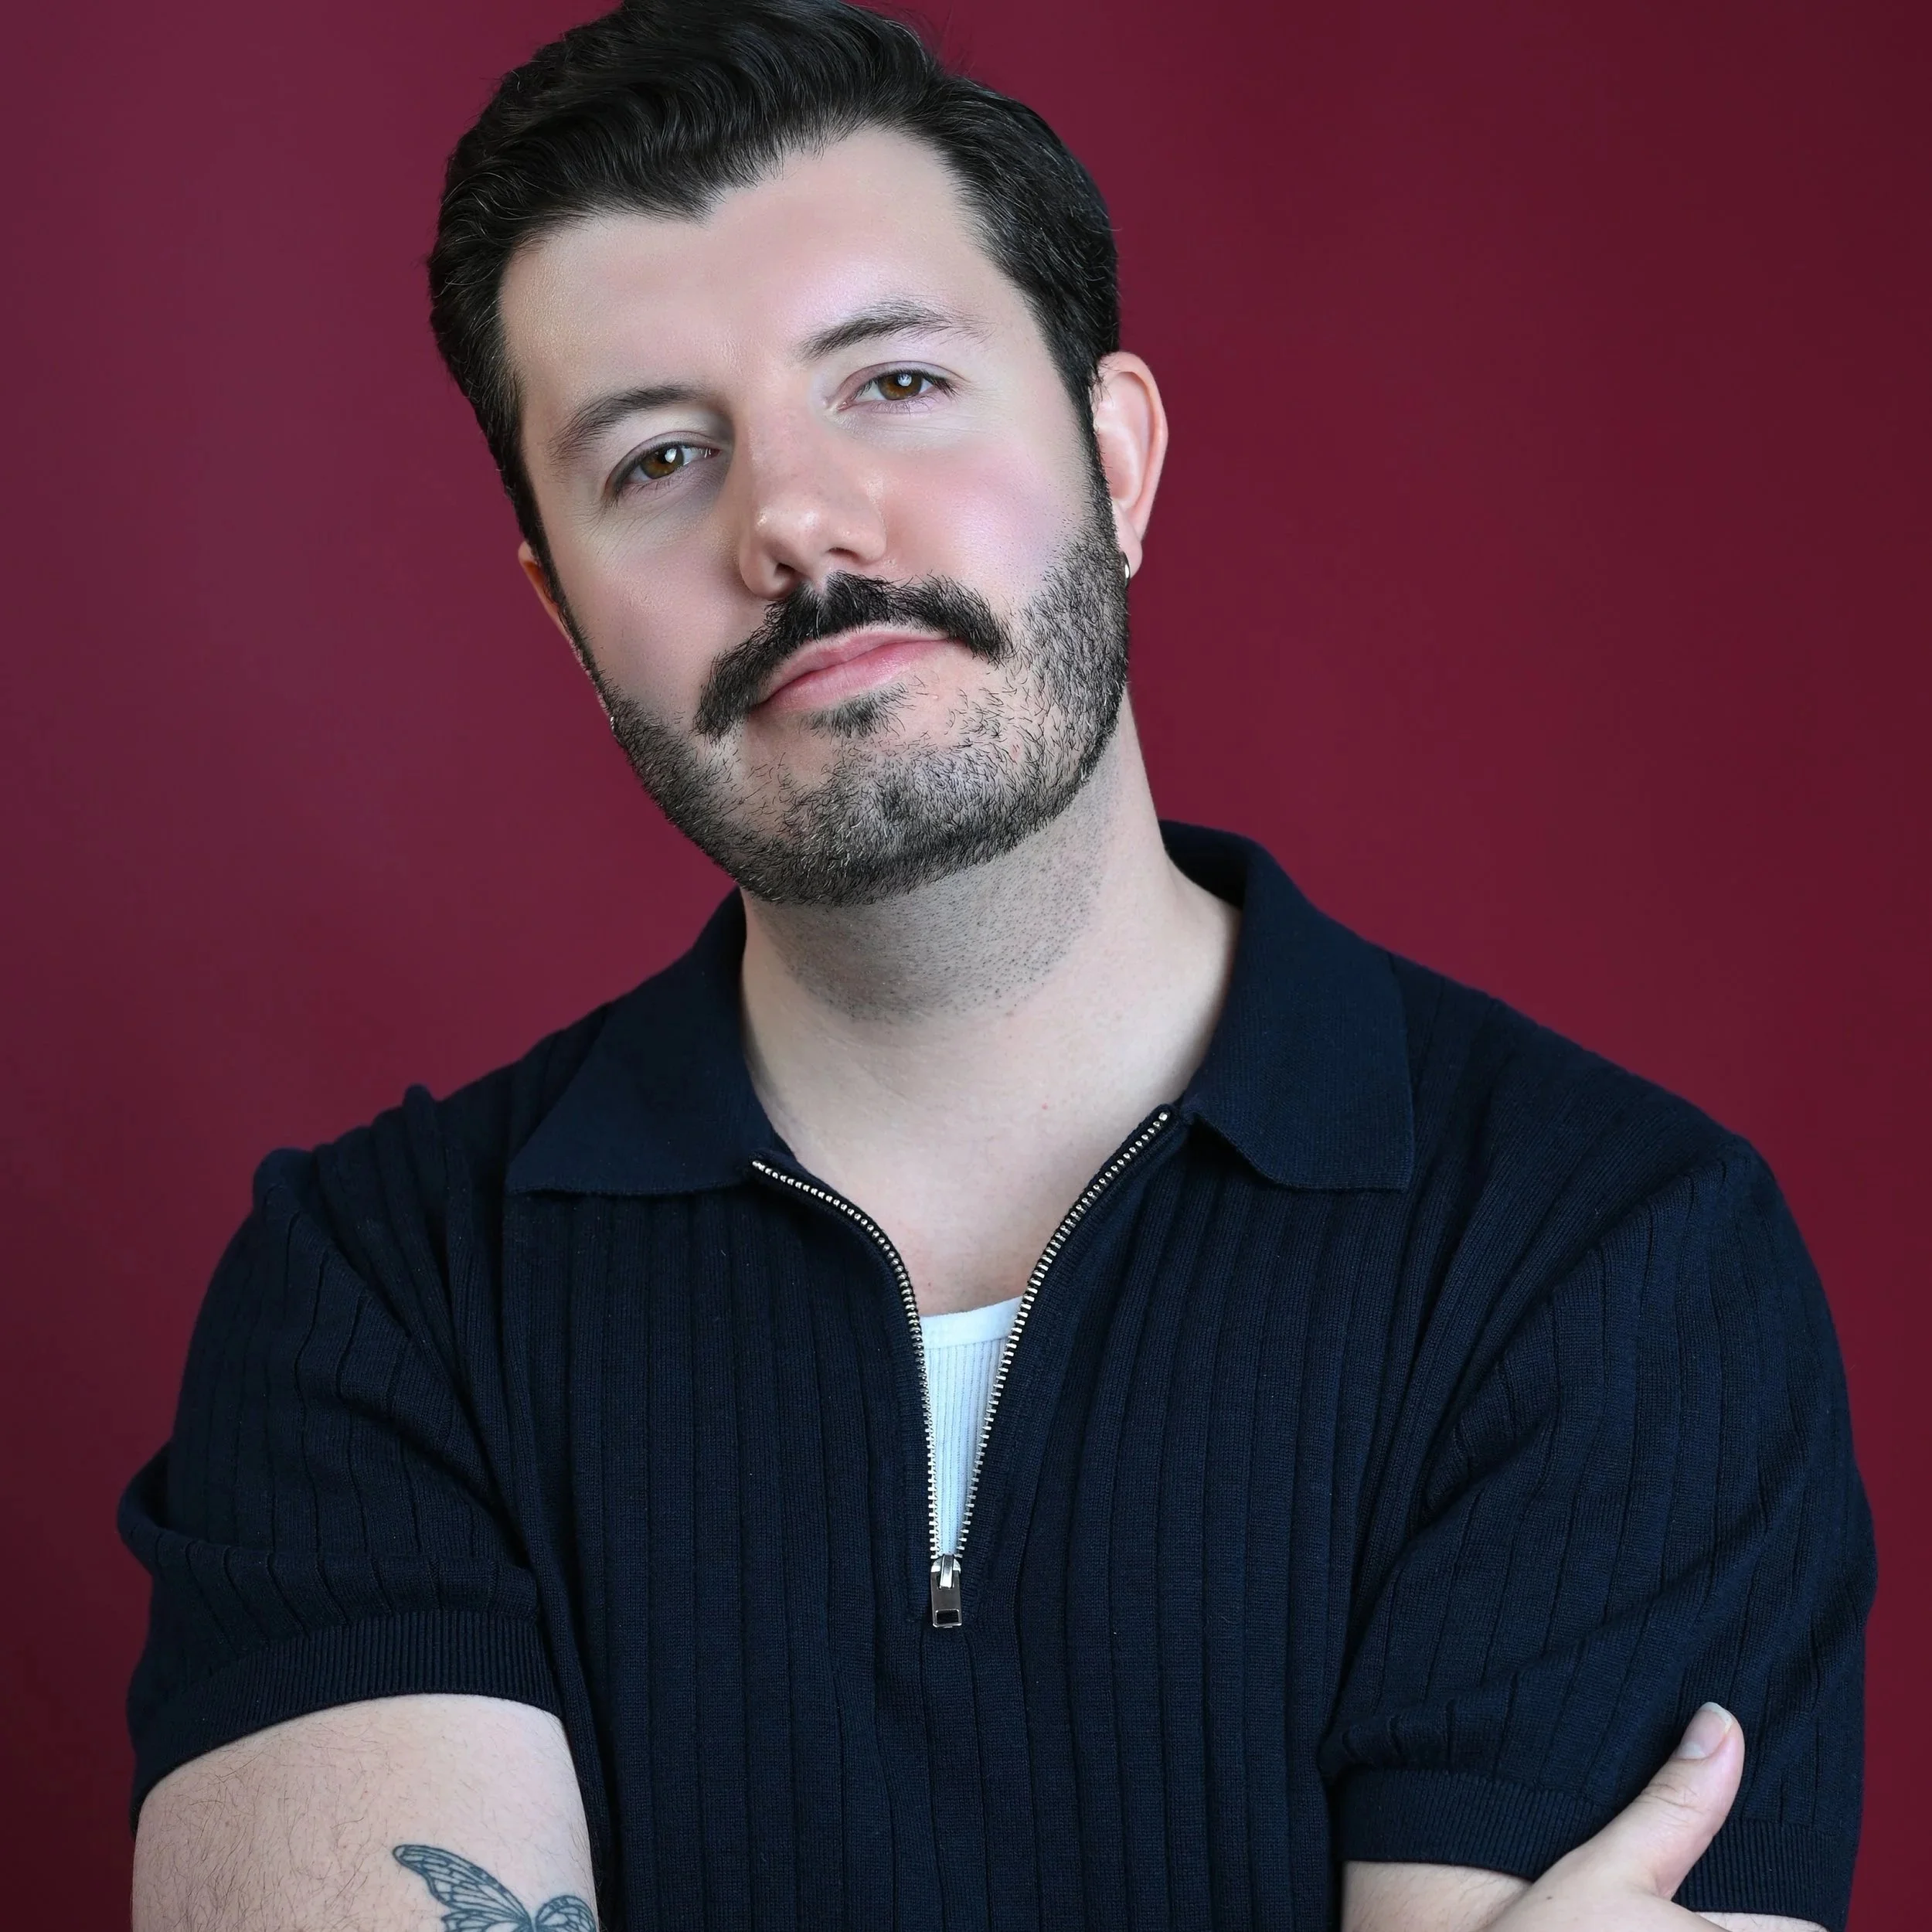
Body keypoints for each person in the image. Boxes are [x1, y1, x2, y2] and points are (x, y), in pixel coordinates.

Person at [120, 2, 1874, 1927]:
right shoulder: (382, 1300)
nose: (790, 519)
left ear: (1113, 458)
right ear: (560, 609)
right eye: (654, 457)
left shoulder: (1602, 1258)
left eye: (889, 384)